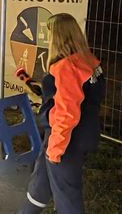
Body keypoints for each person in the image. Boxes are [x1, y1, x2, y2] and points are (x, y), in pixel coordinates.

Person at [18, 13, 105, 214]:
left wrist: (56, 148)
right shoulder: (89, 61)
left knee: (68, 198)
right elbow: (83, 97)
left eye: (49, 34)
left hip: (65, 140)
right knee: (40, 184)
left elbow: (67, 113)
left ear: (57, 37)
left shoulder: (66, 66)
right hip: (81, 134)